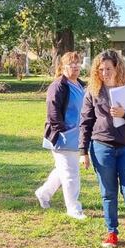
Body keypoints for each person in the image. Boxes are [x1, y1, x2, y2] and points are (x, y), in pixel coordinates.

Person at [79, 49, 125, 248]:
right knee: (108, 193)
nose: (104, 73)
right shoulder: (93, 92)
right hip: (102, 147)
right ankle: (112, 233)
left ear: (118, 68)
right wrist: (83, 152)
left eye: (108, 69)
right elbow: (85, 122)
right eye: (100, 70)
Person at [35, 51, 87, 220]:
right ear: (63, 67)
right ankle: (73, 208)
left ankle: (43, 193)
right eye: (71, 64)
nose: (75, 66)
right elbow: (53, 112)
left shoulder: (81, 85)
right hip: (63, 137)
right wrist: (63, 130)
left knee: (63, 170)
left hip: (77, 136)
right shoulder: (58, 86)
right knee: (71, 173)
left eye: (77, 63)